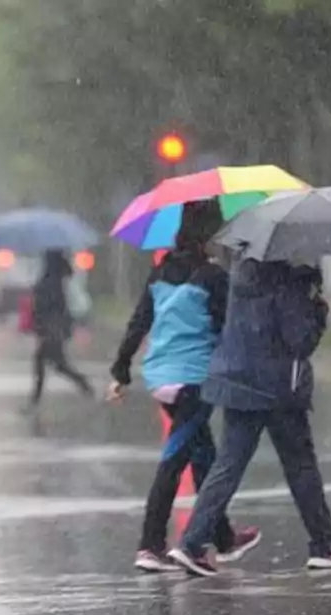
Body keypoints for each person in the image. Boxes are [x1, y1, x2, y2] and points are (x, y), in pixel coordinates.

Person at [167, 258, 331, 577]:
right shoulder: (291, 279)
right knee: (301, 465)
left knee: (228, 465)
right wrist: (319, 310)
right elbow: (300, 340)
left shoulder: (243, 272)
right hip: (277, 387)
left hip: (238, 380)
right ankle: (324, 545)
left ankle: (191, 544)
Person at [107, 201, 260, 573]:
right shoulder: (213, 276)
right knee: (174, 460)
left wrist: (121, 370)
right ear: (210, 234)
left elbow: (139, 321)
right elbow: (229, 327)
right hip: (195, 379)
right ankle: (151, 544)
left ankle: (223, 537)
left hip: (159, 376)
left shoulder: (159, 272)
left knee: (202, 454)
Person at [28, 249, 93, 408]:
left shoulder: (51, 281)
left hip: (53, 329)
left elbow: (47, 306)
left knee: (47, 362)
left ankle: (35, 401)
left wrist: (37, 295)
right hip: (55, 328)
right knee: (56, 363)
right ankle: (82, 383)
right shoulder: (57, 279)